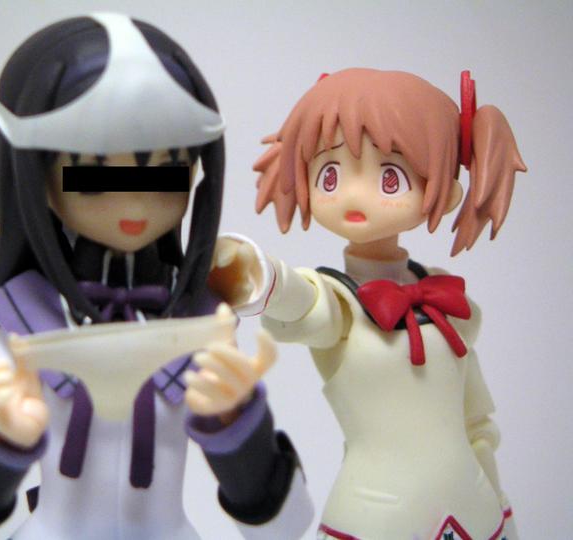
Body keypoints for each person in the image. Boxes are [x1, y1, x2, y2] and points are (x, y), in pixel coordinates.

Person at [0, 14, 312, 539]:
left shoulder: (202, 328)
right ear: (37, 178)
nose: (134, 203)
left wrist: (239, 430)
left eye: (168, 172)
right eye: (93, 175)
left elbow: (284, 527)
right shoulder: (27, 324)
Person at [210, 68, 525, 540]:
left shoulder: (446, 299)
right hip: (375, 517)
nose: (355, 196)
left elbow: (476, 421)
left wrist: (498, 502)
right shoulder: (339, 299)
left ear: (447, 191)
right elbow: (300, 300)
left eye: (390, 178)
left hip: (472, 510)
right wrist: (254, 271)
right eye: (330, 174)